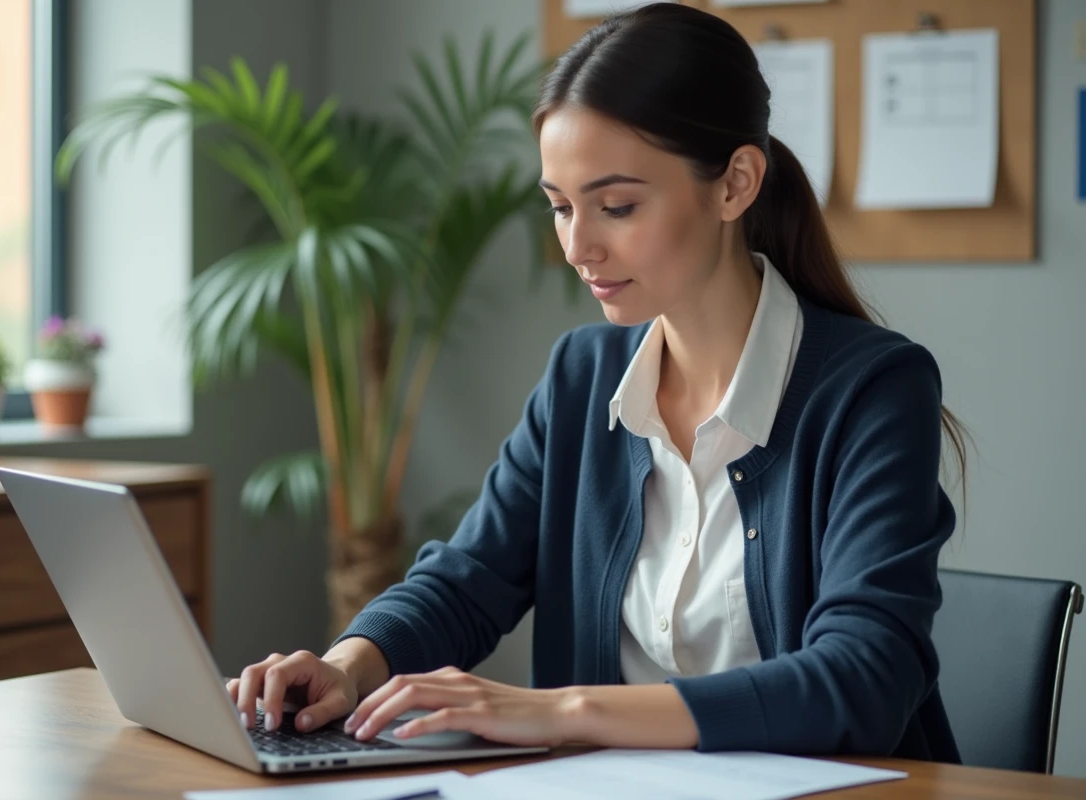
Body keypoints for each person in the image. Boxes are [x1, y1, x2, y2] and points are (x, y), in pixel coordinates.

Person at [227, 2, 967, 762]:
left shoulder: (874, 388)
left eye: (616, 206)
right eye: (559, 207)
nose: (579, 246)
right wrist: (348, 665)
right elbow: (468, 578)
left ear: (735, 184)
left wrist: (562, 711)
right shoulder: (583, 377)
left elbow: (865, 678)